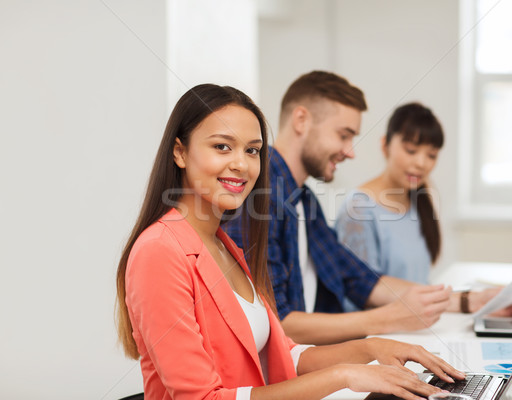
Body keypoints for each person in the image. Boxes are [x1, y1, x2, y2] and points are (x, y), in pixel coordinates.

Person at [115, 84, 465, 400]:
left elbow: (285, 353)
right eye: (222, 147)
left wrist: (372, 348)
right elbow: (202, 398)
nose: (241, 164)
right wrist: (346, 374)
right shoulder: (160, 250)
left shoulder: (226, 246)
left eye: (252, 151)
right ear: (179, 152)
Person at [225, 71, 512, 346]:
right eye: (343, 135)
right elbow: (277, 323)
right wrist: (387, 319)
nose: (350, 151)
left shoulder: (304, 200)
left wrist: (471, 301)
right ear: (301, 120)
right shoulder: (259, 199)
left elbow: (361, 279)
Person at [335, 103, 512, 313]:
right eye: (411, 150)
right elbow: (362, 295)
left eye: (431, 155)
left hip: (417, 327)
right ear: (385, 146)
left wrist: (484, 303)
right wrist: (466, 301)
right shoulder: (358, 210)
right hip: (381, 337)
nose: (421, 163)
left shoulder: (417, 201)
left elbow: (417, 285)